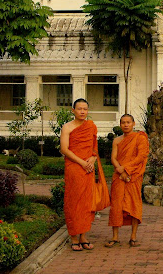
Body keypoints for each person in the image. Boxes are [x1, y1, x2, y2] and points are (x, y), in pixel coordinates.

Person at [60, 98, 108, 251]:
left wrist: (92, 159)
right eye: (79, 108)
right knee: (74, 201)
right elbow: (64, 149)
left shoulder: (91, 126)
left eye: (85, 109)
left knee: (87, 202)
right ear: (73, 110)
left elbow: (94, 147)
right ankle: (74, 236)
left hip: (88, 168)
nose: (82, 111)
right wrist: (82, 162)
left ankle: (83, 236)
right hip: (75, 167)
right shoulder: (67, 128)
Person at [105, 114, 149, 248]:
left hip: (134, 176)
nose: (126, 125)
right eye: (123, 122)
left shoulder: (139, 138)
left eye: (128, 122)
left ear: (133, 124)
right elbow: (113, 158)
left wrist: (126, 169)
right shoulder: (117, 140)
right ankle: (115, 237)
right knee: (116, 205)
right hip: (119, 175)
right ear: (120, 125)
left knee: (134, 204)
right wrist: (120, 169)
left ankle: (133, 236)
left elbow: (141, 156)